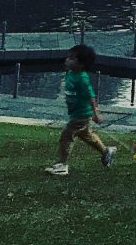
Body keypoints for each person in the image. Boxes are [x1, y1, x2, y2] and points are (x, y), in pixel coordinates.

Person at [45, 44, 116, 176]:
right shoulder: (71, 72)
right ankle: (106, 151)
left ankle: (61, 164)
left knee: (67, 136)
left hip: (81, 115)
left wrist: (95, 114)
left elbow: (91, 96)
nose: (67, 60)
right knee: (86, 135)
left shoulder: (82, 79)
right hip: (77, 113)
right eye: (68, 57)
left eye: (72, 58)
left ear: (81, 64)